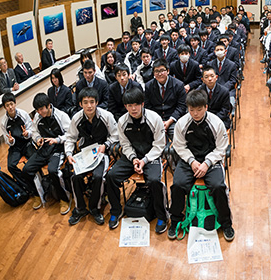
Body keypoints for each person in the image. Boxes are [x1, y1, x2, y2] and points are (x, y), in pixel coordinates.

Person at [168, 89, 234, 241]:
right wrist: (191, 161)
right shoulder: (182, 123)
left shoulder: (216, 122)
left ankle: (226, 223)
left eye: (199, 109)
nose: (195, 113)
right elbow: (179, 146)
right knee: (177, 184)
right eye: (192, 110)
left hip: (211, 160)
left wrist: (207, 163)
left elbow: (222, 147)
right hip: (189, 160)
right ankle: (176, 220)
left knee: (218, 186)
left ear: (206, 107)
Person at [105, 88, 168, 231]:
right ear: (125, 106)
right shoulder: (122, 121)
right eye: (129, 105)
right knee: (111, 176)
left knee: (154, 180)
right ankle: (116, 210)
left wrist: (144, 160)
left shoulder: (154, 119)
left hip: (151, 155)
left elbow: (159, 145)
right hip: (131, 156)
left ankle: (162, 215)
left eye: (136, 105)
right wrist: (134, 159)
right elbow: (125, 144)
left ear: (142, 104)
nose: (133, 109)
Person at [65, 87, 119, 226]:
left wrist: (106, 145)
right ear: (80, 104)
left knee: (98, 177)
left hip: (102, 152)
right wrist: (69, 154)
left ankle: (95, 208)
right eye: (85, 102)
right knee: (75, 176)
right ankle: (80, 208)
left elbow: (115, 135)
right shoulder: (77, 118)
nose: (89, 106)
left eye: (92, 102)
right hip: (85, 152)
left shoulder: (106, 116)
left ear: (97, 102)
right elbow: (70, 138)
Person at [21, 93, 72, 213]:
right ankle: (37, 195)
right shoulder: (38, 117)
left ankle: (64, 199)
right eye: (37, 110)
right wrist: (37, 138)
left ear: (48, 106)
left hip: (58, 148)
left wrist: (57, 140)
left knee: (53, 170)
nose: (39, 112)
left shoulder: (61, 116)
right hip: (44, 148)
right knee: (27, 169)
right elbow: (34, 132)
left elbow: (71, 134)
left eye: (41, 109)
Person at [0, 93, 35, 194]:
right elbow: (7, 139)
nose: (10, 107)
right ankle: (28, 186)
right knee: (11, 166)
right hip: (15, 147)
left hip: (26, 142)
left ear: (15, 103)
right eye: (7, 105)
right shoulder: (3, 123)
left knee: (34, 160)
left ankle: (37, 181)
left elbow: (32, 130)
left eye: (11, 104)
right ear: (4, 107)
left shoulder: (23, 114)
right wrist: (11, 141)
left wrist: (26, 133)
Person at [144, 59, 187, 139]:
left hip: (173, 119)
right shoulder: (148, 86)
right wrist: (158, 121)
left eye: (162, 70)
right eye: (156, 71)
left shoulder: (178, 85)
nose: (159, 74)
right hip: (155, 120)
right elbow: (147, 107)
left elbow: (181, 107)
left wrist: (169, 121)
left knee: (177, 136)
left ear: (168, 71)